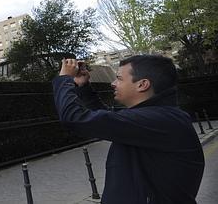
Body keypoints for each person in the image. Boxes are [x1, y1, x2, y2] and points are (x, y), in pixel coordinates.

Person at [53, 55, 204, 204]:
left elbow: (75, 118)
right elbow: (109, 120)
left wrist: (64, 79)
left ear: (142, 84)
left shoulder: (158, 120)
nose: (113, 83)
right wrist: (84, 87)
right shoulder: (158, 116)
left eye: (119, 78)